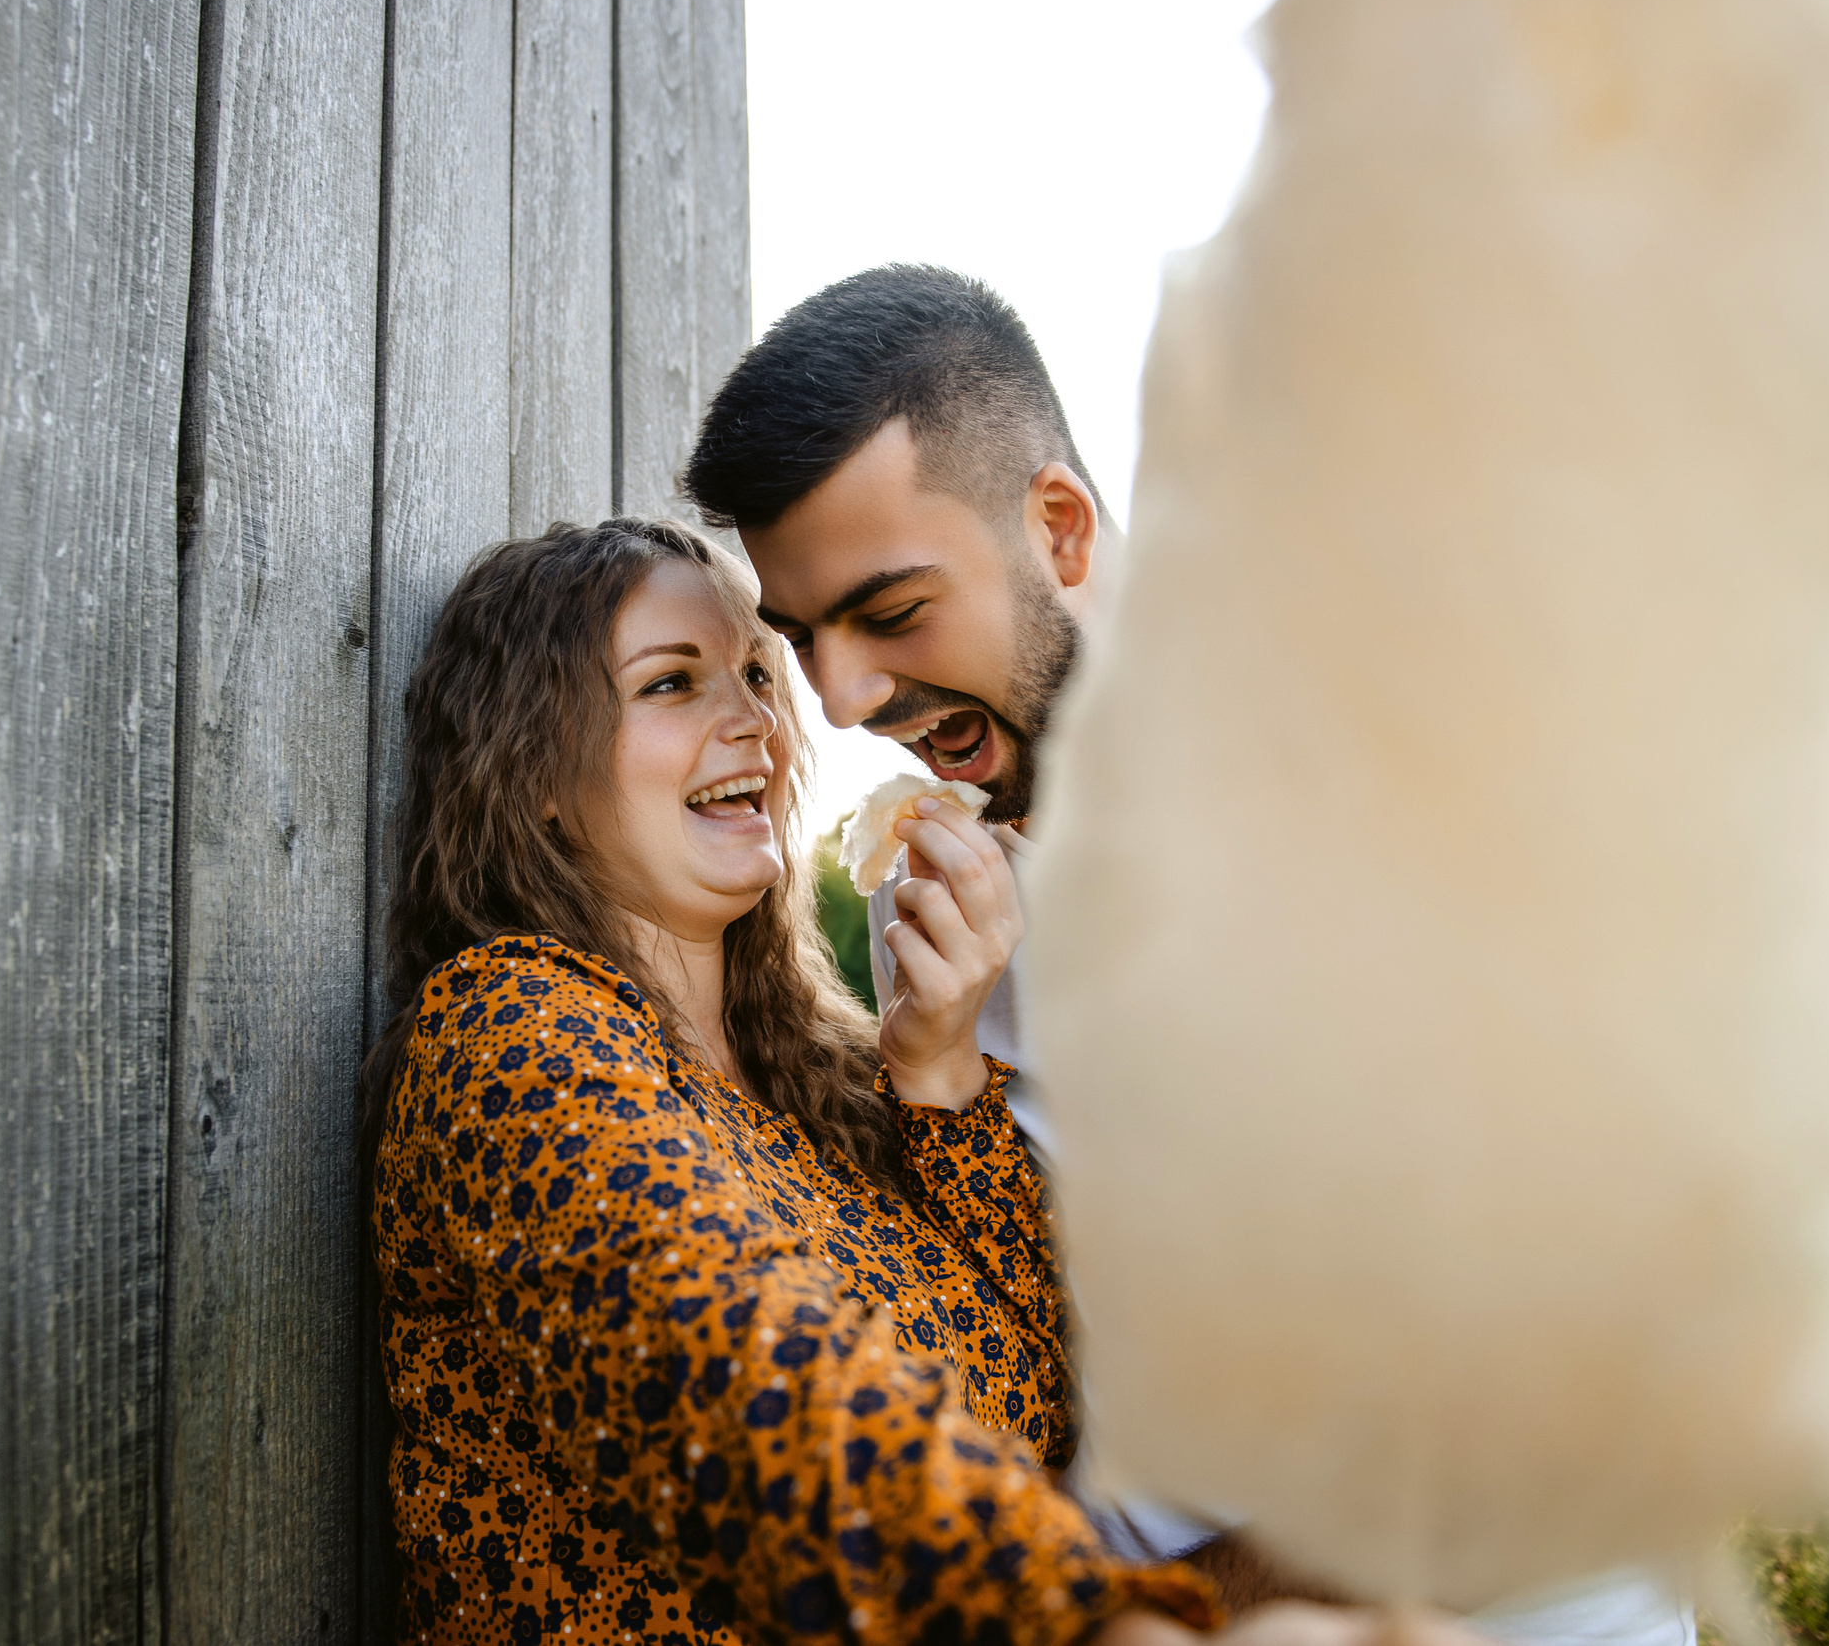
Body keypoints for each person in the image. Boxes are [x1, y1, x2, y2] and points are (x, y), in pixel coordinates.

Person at [680, 265, 1697, 1646]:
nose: (846, 700)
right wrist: (932, 1074)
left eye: (893, 612)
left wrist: (1136, 1619)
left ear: (1061, 529)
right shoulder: (972, 899)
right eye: (802, 640)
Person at [363, 518, 1211, 1646]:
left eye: (759, 675)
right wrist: (1086, 1622)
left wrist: (938, 1065)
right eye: (673, 682)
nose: (756, 721)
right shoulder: (507, 1028)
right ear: (537, 776)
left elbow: (1040, 1399)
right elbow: (739, 1374)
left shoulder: (822, 1081)